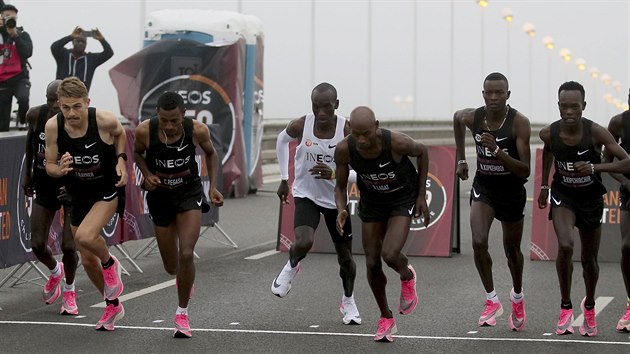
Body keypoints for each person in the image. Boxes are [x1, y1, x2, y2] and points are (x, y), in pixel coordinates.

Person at [537, 81, 630, 337]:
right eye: (564, 107)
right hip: (563, 196)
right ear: (558, 107)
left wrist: (594, 168)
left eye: (574, 107)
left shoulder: (596, 133)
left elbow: (626, 162)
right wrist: (545, 185)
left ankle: (588, 306)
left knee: (589, 260)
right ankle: (565, 307)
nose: (569, 112)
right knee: (566, 246)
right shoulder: (549, 133)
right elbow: (548, 152)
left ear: (583, 106)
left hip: (590, 199)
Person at [334, 106, 430, 342]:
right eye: (356, 134)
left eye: (366, 133)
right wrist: (342, 209)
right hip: (372, 203)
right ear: (349, 129)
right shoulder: (344, 149)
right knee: (372, 261)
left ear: (376, 126)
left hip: (401, 199)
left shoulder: (396, 142)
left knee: (390, 254)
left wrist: (419, 196)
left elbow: (423, 152)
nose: (362, 140)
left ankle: (406, 275)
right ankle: (385, 318)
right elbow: (339, 185)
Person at [133, 91, 224, 338]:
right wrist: (146, 173)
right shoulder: (145, 131)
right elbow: (137, 154)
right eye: (164, 121)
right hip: (160, 195)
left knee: (186, 253)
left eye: (174, 120)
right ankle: (182, 278)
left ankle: (182, 314)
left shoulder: (197, 130)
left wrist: (213, 186)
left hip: (188, 191)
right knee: (171, 267)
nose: (170, 126)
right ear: (157, 116)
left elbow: (211, 153)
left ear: (183, 114)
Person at [271, 83, 361, 326]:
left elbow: (360, 173)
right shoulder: (302, 124)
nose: (321, 113)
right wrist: (283, 178)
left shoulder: (347, 129)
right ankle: (291, 266)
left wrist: (333, 175)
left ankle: (348, 300)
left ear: (337, 105)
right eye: (316, 107)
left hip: (336, 199)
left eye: (327, 107)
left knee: (346, 259)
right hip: (306, 195)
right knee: (304, 242)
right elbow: (281, 141)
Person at [44, 76, 127, 331]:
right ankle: (112, 303)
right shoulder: (53, 126)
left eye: (77, 106)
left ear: (87, 102)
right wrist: (60, 169)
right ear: (59, 105)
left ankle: (111, 265)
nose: (71, 113)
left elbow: (120, 134)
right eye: (65, 107)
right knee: (88, 259)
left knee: (87, 237)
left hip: (106, 189)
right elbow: (49, 166)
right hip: (77, 193)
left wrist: (121, 160)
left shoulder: (103, 120)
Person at [453, 72, 531, 330]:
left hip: (511, 192)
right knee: (478, 241)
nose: (494, 97)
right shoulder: (474, 117)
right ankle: (491, 300)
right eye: (489, 93)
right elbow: (456, 118)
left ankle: (517, 296)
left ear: (508, 95)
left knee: (512, 251)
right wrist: (461, 158)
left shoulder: (519, 123)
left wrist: (497, 150)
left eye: (499, 93)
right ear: (483, 94)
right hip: (484, 188)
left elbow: (524, 170)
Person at [23, 79, 79, 315]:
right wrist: (27, 175)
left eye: (59, 100)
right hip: (44, 185)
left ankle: (70, 290)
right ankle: (55, 271)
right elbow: (30, 143)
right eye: (50, 100)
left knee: (68, 245)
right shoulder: (36, 115)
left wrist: (77, 185)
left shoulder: (77, 121)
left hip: (70, 188)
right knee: (36, 244)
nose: (55, 105)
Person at [603, 88, 630, 332]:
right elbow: (607, 163)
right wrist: (625, 182)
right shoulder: (619, 123)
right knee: (627, 247)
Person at [51, 26, 113, 92]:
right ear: (73, 42)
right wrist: (70, 37)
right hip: (61, 95)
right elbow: (54, 47)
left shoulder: (91, 59)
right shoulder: (63, 55)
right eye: (78, 41)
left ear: (86, 44)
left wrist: (102, 40)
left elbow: (109, 53)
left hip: (80, 98)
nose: (80, 44)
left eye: (83, 42)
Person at [0, 4, 32, 131]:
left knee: (24, 99)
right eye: (7, 17)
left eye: (13, 18)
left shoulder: (22, 34)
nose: (9, 20)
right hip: (2, 81)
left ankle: (23, 119)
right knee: (2, 124)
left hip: (19, 77)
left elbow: (28, 52)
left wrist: (15, 35)